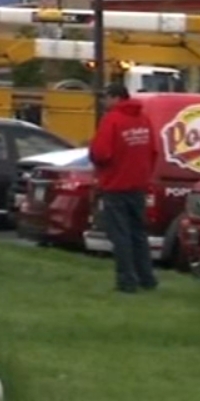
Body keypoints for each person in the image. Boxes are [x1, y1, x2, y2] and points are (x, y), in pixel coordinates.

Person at [88, 84, 160, 294]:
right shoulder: (144, 119)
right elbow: (153, 151)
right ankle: (147, 278)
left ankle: (126, 281)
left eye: (106, 98)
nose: (103, 102)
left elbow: (101, 153)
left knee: (120, 235)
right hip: (138, 186)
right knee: (138, 234)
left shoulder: (112, 120)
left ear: (115, 98)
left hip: (115, 186)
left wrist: (99, 168)